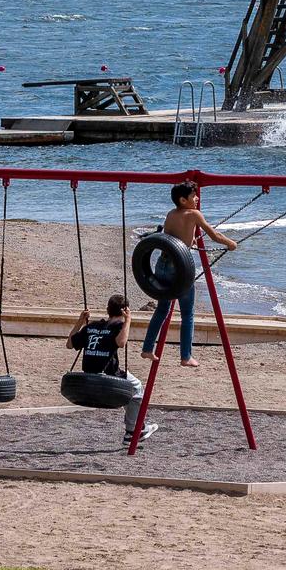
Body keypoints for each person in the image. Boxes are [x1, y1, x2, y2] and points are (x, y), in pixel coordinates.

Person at [142, 181, 238, 367]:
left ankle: (147, 349)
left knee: (162, 310)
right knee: (187, 313)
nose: (197, 198)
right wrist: (231, 244)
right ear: (183, 200)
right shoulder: (194, 214)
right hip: (179, 267)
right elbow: (215, 236)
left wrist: (190, 238)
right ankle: (186, 356)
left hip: (162, 263)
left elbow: (171, 236)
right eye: (194, 196)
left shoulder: (171, 214)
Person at [67, 294, 153, 444]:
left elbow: (69, 344)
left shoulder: (92, 326)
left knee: (131, 392)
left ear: (107, 310)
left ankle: (138, 427)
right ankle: (132, 431)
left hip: (88, 374)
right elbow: (121, 342)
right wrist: (128, 320)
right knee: (137, 389)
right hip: (109, 375)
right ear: (125, 311)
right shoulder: (118, 327)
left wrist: (80, 321)